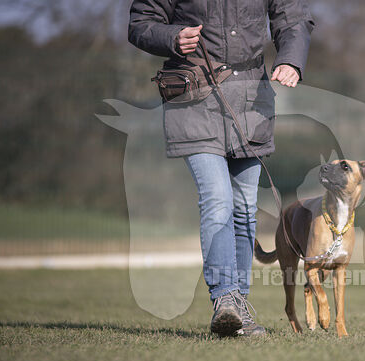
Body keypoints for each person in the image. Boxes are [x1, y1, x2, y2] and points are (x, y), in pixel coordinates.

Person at [128, 0, 314, 336]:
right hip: (194, 100)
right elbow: (142, 22)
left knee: (244, 209)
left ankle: (238, 311)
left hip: (250, 102)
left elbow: (294, 19)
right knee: (217, 199)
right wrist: (172, 37)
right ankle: (224, 297)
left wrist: (291, 60)